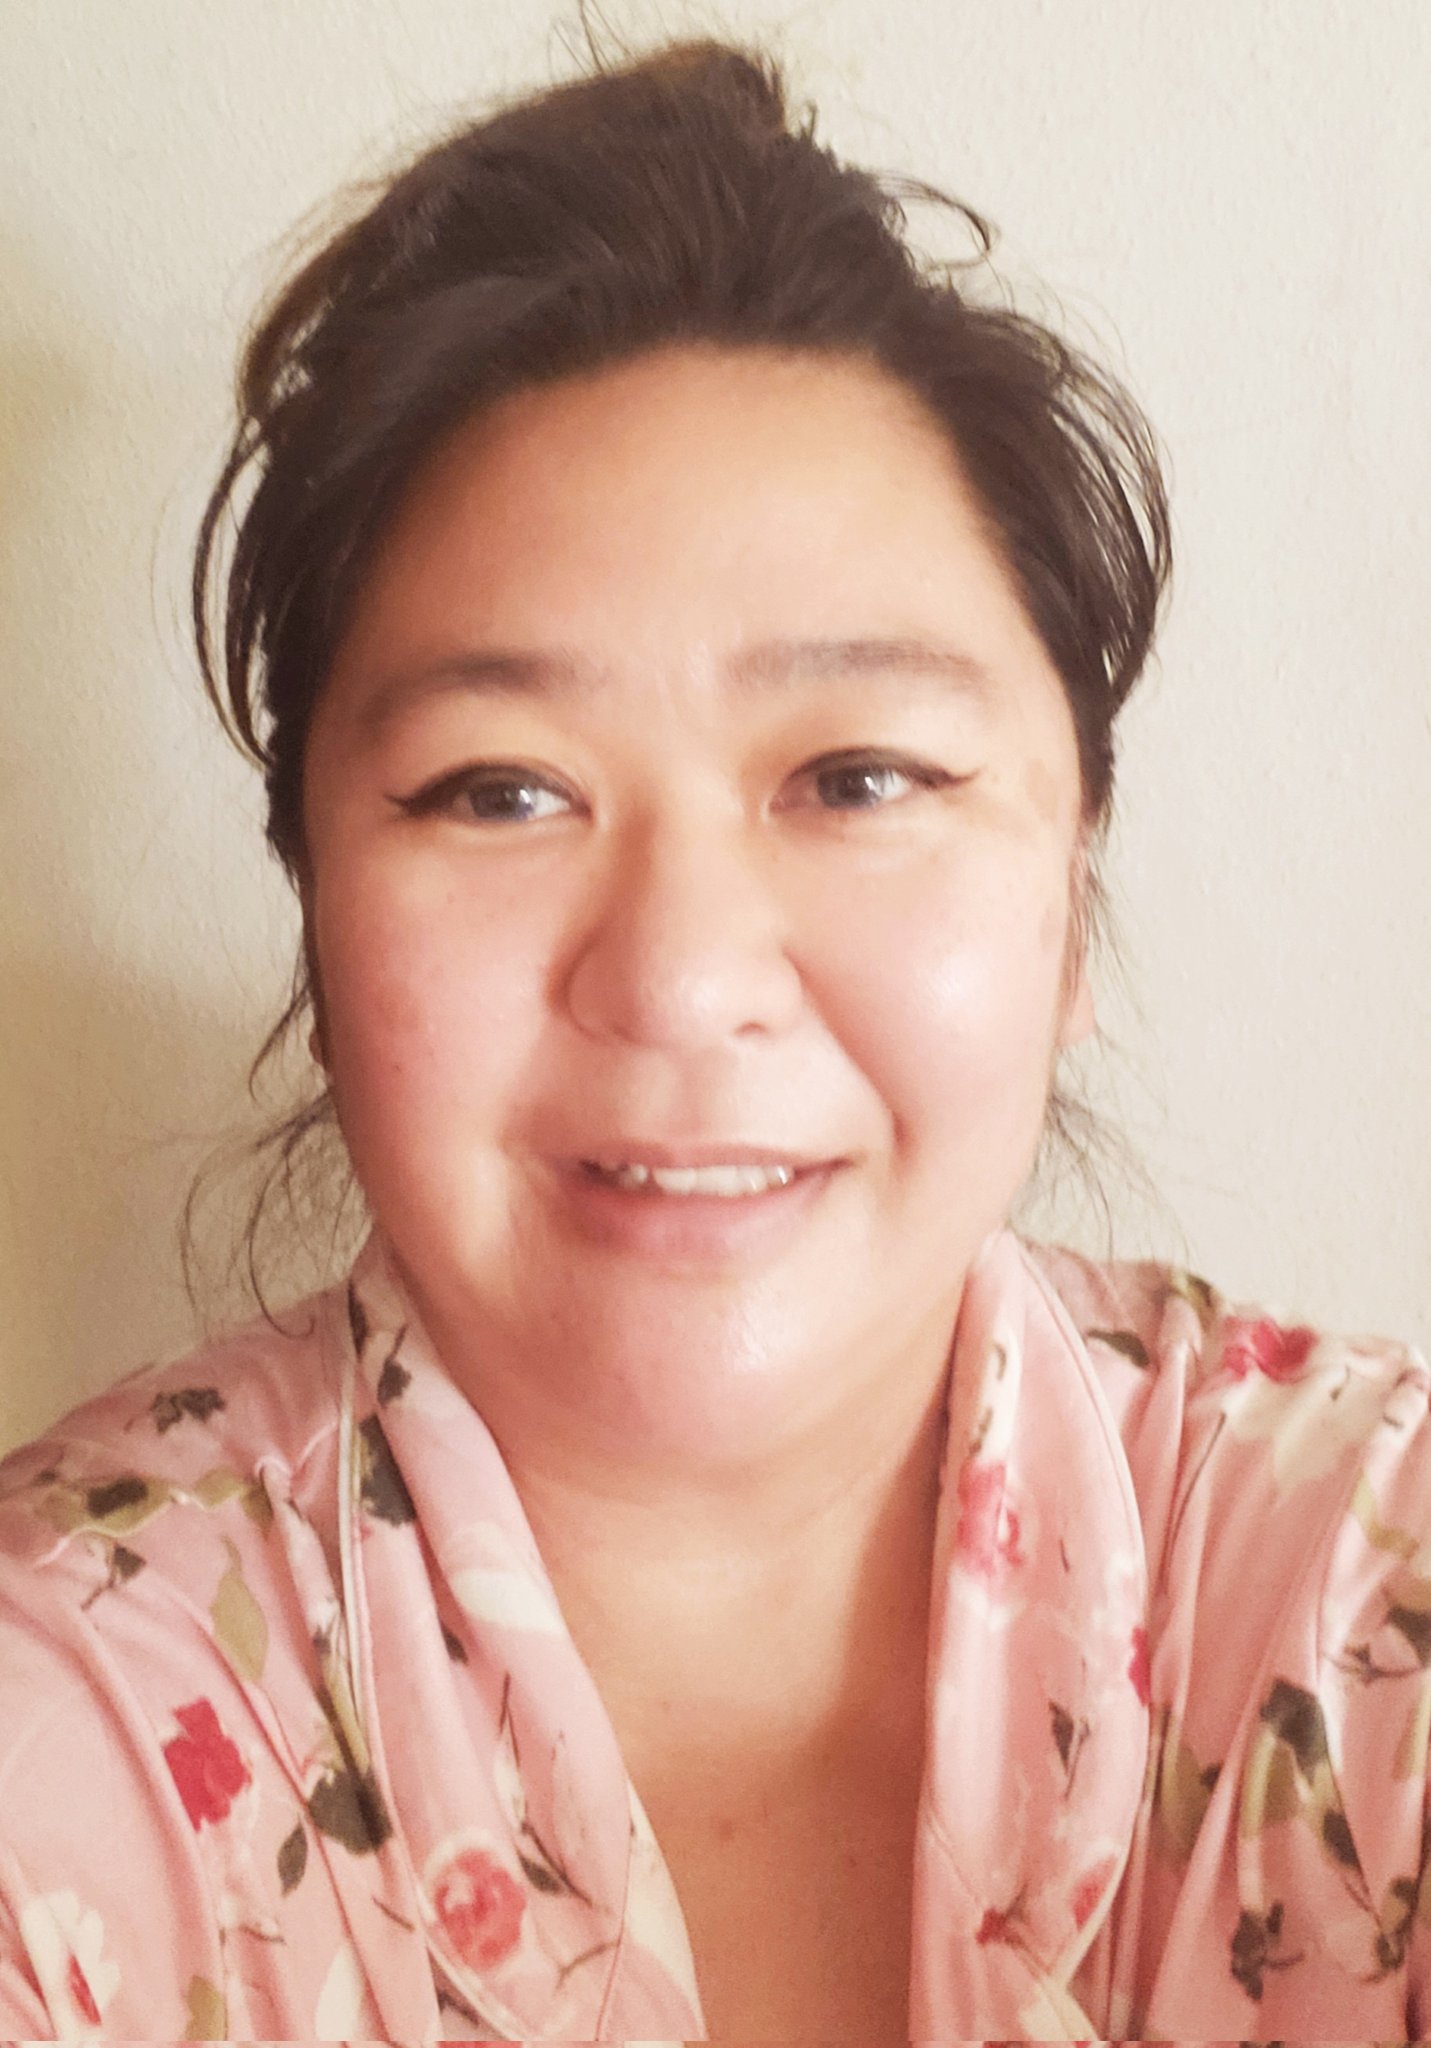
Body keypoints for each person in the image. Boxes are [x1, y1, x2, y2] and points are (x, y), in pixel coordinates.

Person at [0, 36, 1426, 2044]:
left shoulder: (1357, 1584)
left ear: (1071, 891)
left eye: (858, 777)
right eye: (500, 789)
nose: (678, 977)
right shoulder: (76, 1715)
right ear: (315, 915)